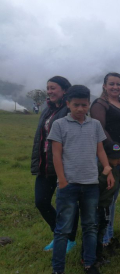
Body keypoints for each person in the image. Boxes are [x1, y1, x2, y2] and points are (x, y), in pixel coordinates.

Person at [47, 85, 114, 274]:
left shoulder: (94, 125)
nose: (80, 109)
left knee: (90, 226)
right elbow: (56, 154)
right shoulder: (59, 124)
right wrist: (62, 180)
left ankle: (89, 264)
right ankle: (58, 271)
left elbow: (100, 149)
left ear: (88, 105)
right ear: (68, 104)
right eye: (76, 105)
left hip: (91, 184)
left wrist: (107, 168)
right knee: (63, 229)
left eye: (84, 105)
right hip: (68, 185)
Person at [30, 76, 79, 252]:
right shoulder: (47, 110)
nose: (49, 91)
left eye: (53, 88)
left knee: (68, 204)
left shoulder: (70, 109)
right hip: (45, 164)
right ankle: (59, 233)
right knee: (41, 201)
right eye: (48, 88)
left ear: (64, 91)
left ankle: (69, 239)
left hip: (64, 165)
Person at [90, 72, 120, 253]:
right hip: (105, 157)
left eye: (118, 84)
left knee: (113, 200)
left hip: (119, 157)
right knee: (105, 201)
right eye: (111, 84)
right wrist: (117, 152)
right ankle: (102, 241)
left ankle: (109, 236)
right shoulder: (100, 104)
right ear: (104, 86)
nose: (115, 87)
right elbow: (101, 130)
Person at [94, 142, 120, 267]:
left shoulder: (114, 168)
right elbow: (97, 188)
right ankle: (94, 256)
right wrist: (104, 175)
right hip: (98, 206)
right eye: (116, 157)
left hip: (105, 206)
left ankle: (99, 254)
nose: (119, 159)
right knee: (96, 231)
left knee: (102, 228)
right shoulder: (100, 168)